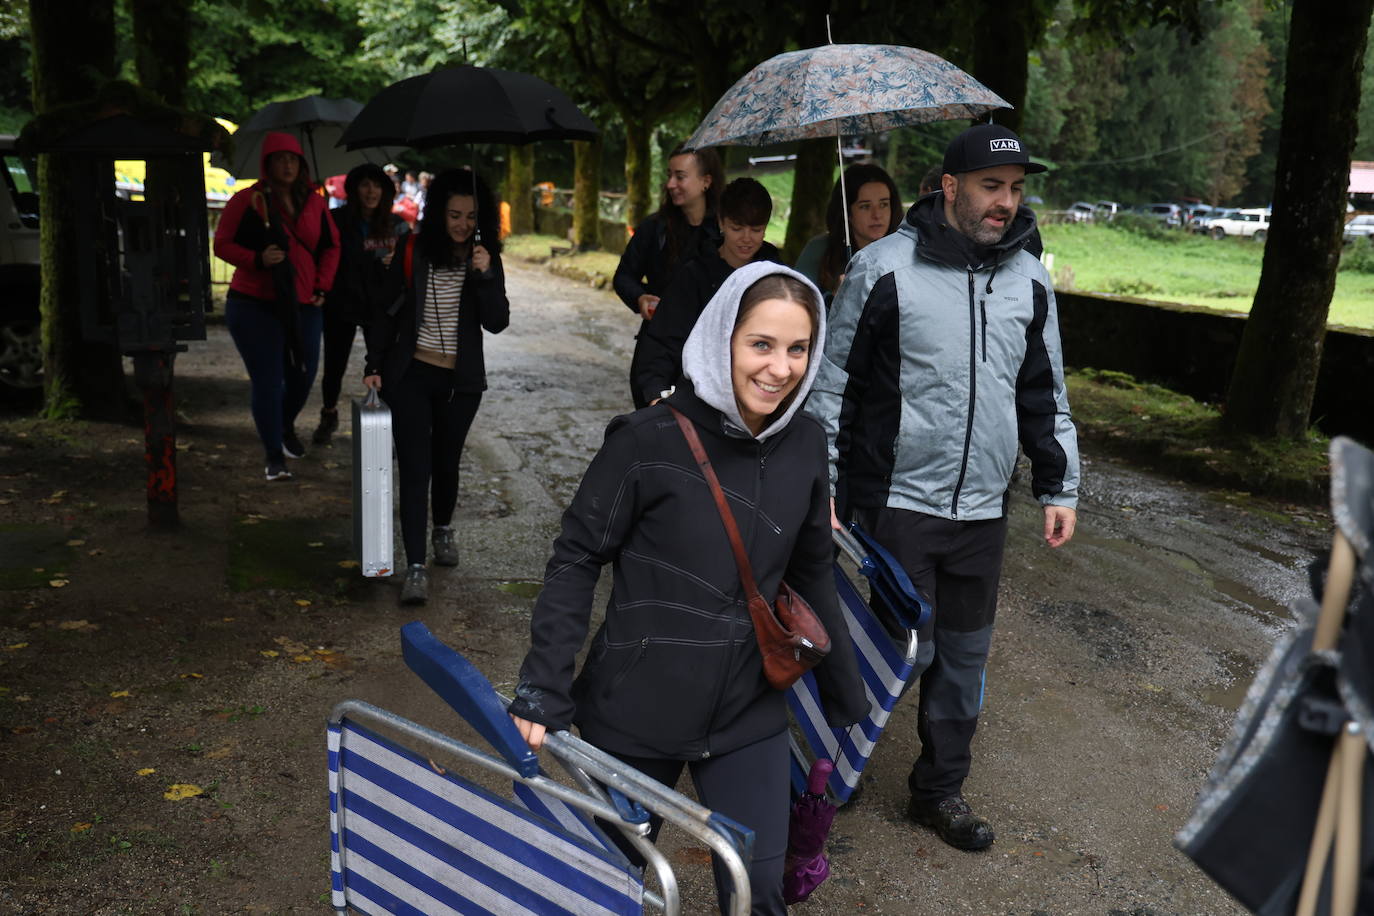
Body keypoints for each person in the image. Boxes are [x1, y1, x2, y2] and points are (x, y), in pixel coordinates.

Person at [508, 262, 869, 915]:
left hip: (746, 711)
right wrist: (542, 684)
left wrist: (845, 686)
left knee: (756, 895)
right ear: (722, 339)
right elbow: (577, 555)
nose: (780, 368)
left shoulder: (807, 443)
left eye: (798, 349)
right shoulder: (647, 441)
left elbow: (812, 564)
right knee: (604, 889)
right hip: (633, 710)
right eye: (761, 344)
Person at [806, 123, 1079, 852]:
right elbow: (834, 389)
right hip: (897, 502)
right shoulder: (883, 269)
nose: (1006, 202)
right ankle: (836, 765)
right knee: (893, 647)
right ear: (950, 187)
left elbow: (1043, 391)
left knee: (964, 655)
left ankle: (940, 790)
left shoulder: (1029, 277)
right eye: (992, 186)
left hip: (983, 510)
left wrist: (1060, 485)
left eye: (1016, 188)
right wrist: (823, 487)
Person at [363, 169, 509, 605]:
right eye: (453, 215)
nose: (462, 224)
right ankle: (415, 566)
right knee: (415, 467)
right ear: (438, 214)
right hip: (411, 375)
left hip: (461, 383)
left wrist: (484, 275)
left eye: (470, 215)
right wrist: (374, 364)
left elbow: (497, 322)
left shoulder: (485, 256)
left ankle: (442, 528)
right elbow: (384, 312)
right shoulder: (412, 249)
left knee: (446, 462)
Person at [213, 131, 340, 481]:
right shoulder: (247, 200)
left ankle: (283, 427)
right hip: (254, 304)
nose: (287, 165)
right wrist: (256, 258)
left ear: (302, 165)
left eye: (293, 159)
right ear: (267, 165)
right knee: (268, 380)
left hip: (305, 304)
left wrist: (322, 286)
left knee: (303, 374)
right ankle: (273, 455)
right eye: (280, 159)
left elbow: (332, 246)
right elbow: (221, 244)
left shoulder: (315, 203)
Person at [631, 177, 780, 406]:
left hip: (757, 394)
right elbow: (665, 339)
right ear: (721, 222)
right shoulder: (695, 273)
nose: (747, 238)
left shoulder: (775, 275)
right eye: (737, 228)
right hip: (699, 392)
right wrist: (655, 392)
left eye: (756, 229)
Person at [614, 145, 725, 408]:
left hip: (709, 353)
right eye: (669, 176)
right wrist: (640, 298)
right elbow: (623, 277)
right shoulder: (654, 228)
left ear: (706, 181)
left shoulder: (725, 232)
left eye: (680, 176)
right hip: (658, 349)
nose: (671, 184)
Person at [312, 163, 409, 446]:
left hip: (382, 308)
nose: (371, 191)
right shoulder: (335, 220)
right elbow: (323, 256)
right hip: (342, 304)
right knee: (334, 365)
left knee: (383, 367)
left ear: (386, 191)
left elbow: (409, 265)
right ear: (353, 190)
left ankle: (387, 426)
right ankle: (328, 414)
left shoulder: (397, 225)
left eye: (377, 185)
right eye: (365, 185)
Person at [794, 163, 902, 302]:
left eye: (883, 204)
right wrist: (834, 301)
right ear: (847, 213)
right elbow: (797, 305)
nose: (877, 215)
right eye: (865, 206)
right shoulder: (820, 250)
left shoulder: (903, 251)